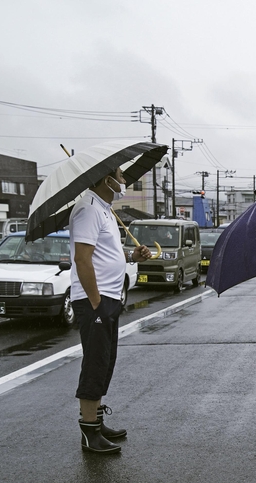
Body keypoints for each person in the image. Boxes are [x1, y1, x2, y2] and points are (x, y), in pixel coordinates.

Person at [70, 167, 152, 454]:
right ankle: (89, 432)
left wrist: (132, 254)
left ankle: (98, 421)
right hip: (95, 299)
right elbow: (83, 259)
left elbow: (108, 253)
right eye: (119, 175)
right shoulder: (88, 208)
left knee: (105, 361)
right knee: (95, 362)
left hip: (110, 298)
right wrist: (95, 303)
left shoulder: (104, 209)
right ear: (106, 179)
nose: (124, 180)